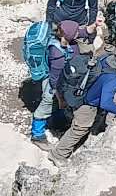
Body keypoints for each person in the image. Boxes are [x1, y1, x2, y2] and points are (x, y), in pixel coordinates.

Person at [48, 45, 116, 166]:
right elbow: (106, 103)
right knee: (80, 128)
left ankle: (99, 126)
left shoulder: (107, 57)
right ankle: (58, 154)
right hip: (85, 103)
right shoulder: (111, 79)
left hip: (80, 90)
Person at [29, 20, 86, 149]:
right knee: (46, 106)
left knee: (57, 104)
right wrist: (59, 96)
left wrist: (93, 27)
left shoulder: (68, 40)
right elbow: (54, 78)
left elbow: (83, 33)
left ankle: (57, 121)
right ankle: (37, 135)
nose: (79, 33)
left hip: (64, 80)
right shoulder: (57, 53)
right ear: (69, 34)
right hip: (53, 85)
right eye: (76, 31)